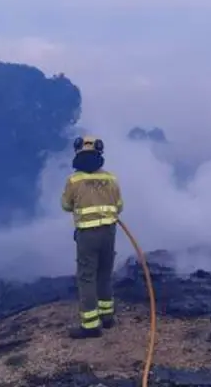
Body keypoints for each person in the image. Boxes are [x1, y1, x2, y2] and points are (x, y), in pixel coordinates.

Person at [61, 135, 123, 339]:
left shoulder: (74, 180)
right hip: (109, 232)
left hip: (88, 235)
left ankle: (90, 325)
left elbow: (66, 205)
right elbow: (120, 206)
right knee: (104, 273)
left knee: (87, 277)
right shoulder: (110, 178)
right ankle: (107, 318)